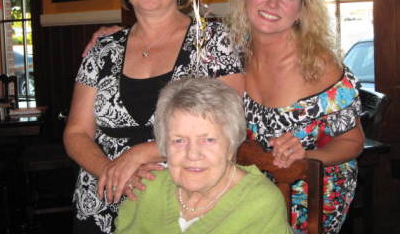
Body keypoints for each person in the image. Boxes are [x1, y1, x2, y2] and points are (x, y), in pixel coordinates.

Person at [63, 0, 244, 234]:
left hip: (184, 200)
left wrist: (138, 155)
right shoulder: (102, 49)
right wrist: (111, 170)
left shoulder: (212, 42)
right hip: (102, 199)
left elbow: (230, 126)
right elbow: (76, 133)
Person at [226, 0, 364, 234]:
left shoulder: (320, 65)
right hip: (249, 189)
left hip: (311, 197)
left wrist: (308, 156)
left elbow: (353, 142)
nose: (273, 2)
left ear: (301, 10)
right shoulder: (230, 55)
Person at [115, 77, 293, 234]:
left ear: (231, 145)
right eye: (179, 140)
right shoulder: (146, 187)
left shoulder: (259, 203)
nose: (192, 154)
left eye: (208, 140)